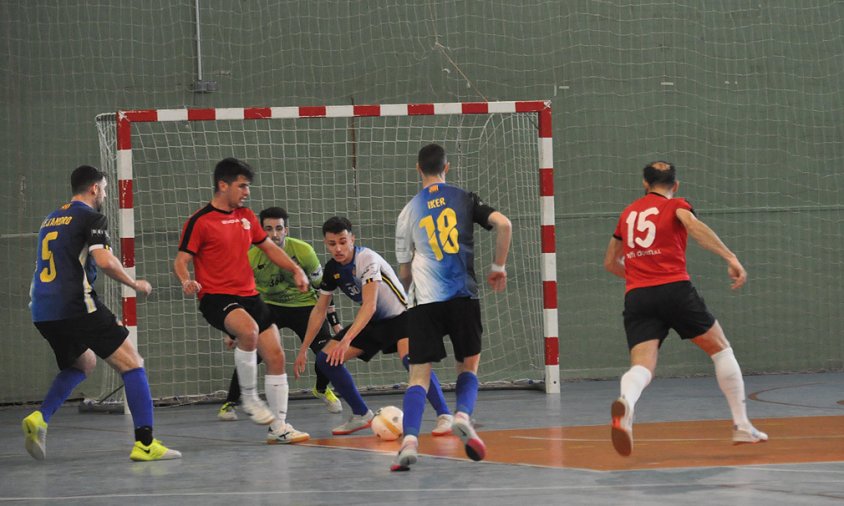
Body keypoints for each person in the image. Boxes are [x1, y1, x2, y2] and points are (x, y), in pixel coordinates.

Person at [603, 160, 768, 456]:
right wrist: (730, 257)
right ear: (675, 185)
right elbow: (693, 226)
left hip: (637, 295)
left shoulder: (627, 214)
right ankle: (742, 425)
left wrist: (641, 274)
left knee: (642, 365)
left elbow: (610, 262)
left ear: (645, 183)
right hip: (675, 289)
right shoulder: (677, 204)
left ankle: (626, 403)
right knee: (720, 349)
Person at [26, 165, 181, 461]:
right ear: (95, 188)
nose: (106, 194)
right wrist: (134, 283)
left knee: (83, 363)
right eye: (105, 189)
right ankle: (145, 444)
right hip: (75, 306)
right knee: (133, 363)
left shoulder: (50, 219)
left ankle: (40, 418)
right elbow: (105, 260)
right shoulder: (91, 217)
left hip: (42, 310)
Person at [391, 143, 512, 471]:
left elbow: (403, 272)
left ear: (418, 169)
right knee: (468, 367)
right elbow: (504, 224)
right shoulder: (465, 198)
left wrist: (407, 299)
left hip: (423, 303)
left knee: (418, 376)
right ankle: (461, 415)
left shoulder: (408, 212)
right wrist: (498, 266)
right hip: (462, 297)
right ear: (448, 167)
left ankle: (409, 442)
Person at [173, 157, 309, 444]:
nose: (247, 192)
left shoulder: (247, 216)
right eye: (242, 185)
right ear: (223, 185)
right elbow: (181, 260)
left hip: (250, 296)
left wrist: (296, 269)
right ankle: (248, 398)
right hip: (215, 297)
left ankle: (279, 427)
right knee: (248, 331)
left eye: (248, 186)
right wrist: (187, 280)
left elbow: (269, 247)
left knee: (276, 356)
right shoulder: (200, 221)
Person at [294, 216, 453, 437]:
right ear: (325, 243)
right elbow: (320, 309)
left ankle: (445, 415)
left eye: (343, 241)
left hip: (404, 316)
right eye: (332, 244)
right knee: (325, 359)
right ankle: (361, 414)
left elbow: (369, 305)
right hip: (376, 322)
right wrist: (304, 348)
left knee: (412, 360)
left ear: (352, 239)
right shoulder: (332, 269)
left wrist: (346, 340)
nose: (338, 248)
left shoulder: (366, 259)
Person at [216, 206, 343, 421]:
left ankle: (321, 389)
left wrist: (335, 322)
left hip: (304, 306)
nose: (274, 234)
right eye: (268, 229)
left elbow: (324, 290)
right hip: (268, 306)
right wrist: (231, 329)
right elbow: (239, 294)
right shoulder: (250, 256)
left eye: (278, 228)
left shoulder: (304, 252)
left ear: (287, 230)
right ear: (260, 230)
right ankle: (230, 403)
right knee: (251, 350)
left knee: (326, 351)